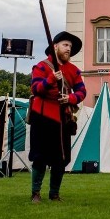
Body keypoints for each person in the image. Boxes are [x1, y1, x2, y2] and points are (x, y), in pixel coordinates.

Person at [29, 31, 86, 203]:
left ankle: (54, 194)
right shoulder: (41, 67)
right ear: (55, 47)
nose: (68, 48)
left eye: (70, 46)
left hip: (63, 118)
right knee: (39, 157)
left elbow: (82, 91)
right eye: (65, 45)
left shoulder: (73, 70)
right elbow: (35, 89)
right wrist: (50, 79)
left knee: (60, 159)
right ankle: (35, 193)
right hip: (43, 116)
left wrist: (70, 98)